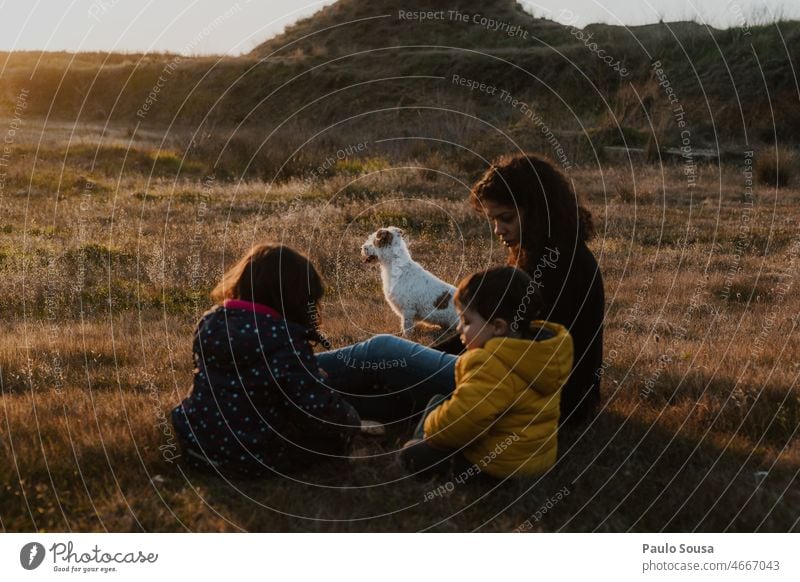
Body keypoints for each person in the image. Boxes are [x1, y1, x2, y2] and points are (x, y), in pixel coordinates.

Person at [317, 152, 603, 425]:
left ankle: (293, 375)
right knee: (391, 374)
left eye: (506, 218)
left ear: (539, 211)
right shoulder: (554, 254)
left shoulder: (558, 267)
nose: (497, 230)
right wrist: (425, 358)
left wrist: (421, 361)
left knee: (383, 350)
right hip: (524, 388)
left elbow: (500, 346)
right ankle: (310, 395)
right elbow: (491, 335)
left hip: (523, 392)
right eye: (493, 220)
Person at [171, 243, 360, 478]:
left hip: (197, 443)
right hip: (253, 455)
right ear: (294, 299)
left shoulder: (210, 322)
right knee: (328, 432)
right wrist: (351, 419)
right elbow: (317, 408)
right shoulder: (284, 338)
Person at [399, 267, 573, 479]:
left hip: (496, 467)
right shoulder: (539, 352)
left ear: (498, 327)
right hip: (536, 460)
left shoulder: (491, 365)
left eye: (467, 321)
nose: (459, 329)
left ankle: (419, 442)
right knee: (438, 400)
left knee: (412, 453)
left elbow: (461, 423)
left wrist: (430, 430)